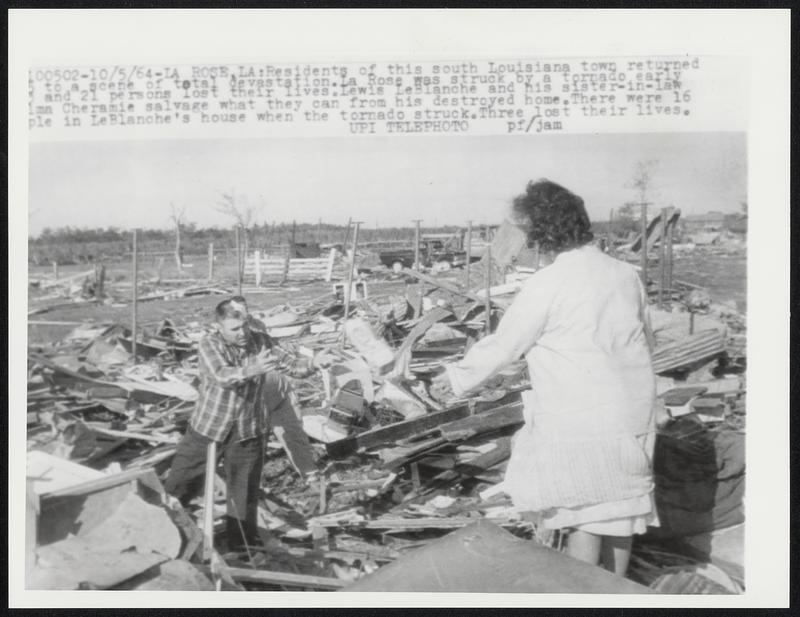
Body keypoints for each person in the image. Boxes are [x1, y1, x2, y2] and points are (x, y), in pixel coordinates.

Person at [432, 179, 658, 576]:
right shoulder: (625, 274)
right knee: (621, 518)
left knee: (582, 517)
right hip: (632, 413)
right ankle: (617, 596)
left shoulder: (549, 282)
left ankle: (581, 600)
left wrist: (453, 378)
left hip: (581, 418)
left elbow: (505, 345)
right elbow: (646, 340)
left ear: (543, 232)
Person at [164, 296, 318, 552]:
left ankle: (243, 548)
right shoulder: (209, 344)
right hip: (209, 427)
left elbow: (293, 366)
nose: (243, 333)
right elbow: (221, 375)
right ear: (220, 327)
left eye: (245, 325)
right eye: (235, 329)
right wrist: (252, 369)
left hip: (249, 431)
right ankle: (163, 533)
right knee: (180, 484)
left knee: (243, 494)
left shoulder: (261, 342)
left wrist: (314, 363)